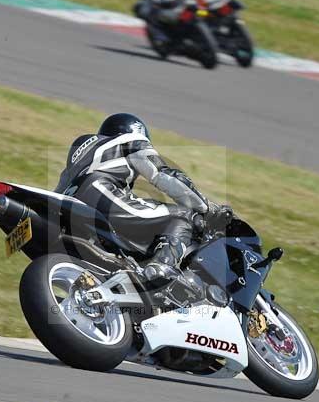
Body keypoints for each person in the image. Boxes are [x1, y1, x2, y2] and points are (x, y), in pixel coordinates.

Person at [55, 113, 230, 285]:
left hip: (66, 212)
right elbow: (162, 174)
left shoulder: (79, 161)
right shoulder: (130, 140)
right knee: (185, 216)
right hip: (100, 195)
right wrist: (207, 208)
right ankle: (161, 266)